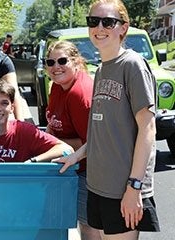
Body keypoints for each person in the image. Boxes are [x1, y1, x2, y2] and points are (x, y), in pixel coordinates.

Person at [53, 0, 160, 239]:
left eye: (108, 22)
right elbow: (105, 132)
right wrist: (76, 156)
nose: (99, 27)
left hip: (122, 190)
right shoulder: (101, 70)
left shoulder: (133, 65)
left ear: (123, 27)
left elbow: (148, 129)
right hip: (97, 186)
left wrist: (134, 187)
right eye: (94, 21)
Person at [44, 40, 101, 240]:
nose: (55, 67)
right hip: (71, 167)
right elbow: (52, 121)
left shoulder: (80, 94)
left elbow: (94, 142)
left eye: (62, 60)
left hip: (88, 170)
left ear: (76, 61)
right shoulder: (58, 86)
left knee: (88, 226)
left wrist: (54, 143)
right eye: (50, 62)